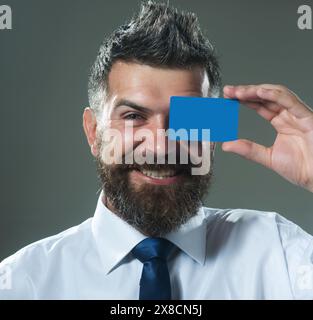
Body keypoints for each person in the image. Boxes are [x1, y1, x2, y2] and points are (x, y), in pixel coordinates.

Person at [1, 1, 313, 300]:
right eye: (134, 117)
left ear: (213, 133)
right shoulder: (22, 284)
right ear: (94, 132)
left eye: (187, 118)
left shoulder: (281, 256)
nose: (161, 145)